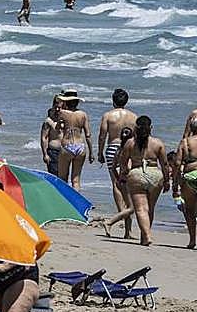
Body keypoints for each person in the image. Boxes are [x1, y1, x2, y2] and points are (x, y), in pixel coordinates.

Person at [115, 115, 170, 246]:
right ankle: (145, 236)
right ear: (151, 128)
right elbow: (165, 164)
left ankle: (146, 236)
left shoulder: (130, 143)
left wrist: (124, 174)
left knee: (140, 209)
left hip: (137, 173)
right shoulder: (158, 143)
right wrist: (167, 180)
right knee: (150, 208)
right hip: (155, 175)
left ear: (136, 128)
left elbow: (123, 161)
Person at [98, 89, 137, 229]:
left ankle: (121, 212)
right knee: (128, 183)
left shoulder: (108, 115)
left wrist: (100, 152)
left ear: (113, 101)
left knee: (116, 183)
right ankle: (127, 216)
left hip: (112, 147)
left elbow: (102, 135)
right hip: (129, 149)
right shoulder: (134, 116)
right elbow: (137, 137)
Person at [55, 89, 92, 189]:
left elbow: (57, 128)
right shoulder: (83, 114)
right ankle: (77, 203)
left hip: (67, 145)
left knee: (62, 178)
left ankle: (64, 201)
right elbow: (88, 134)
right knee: (76, 180)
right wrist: (91, 153)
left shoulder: (62, 113)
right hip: (80, 146)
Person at [173, 118, 197, 248]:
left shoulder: (185, 142)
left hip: (189, 177)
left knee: (189, 210)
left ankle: (193, 239)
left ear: (192, 128)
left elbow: (177, 163)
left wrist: (175, 183)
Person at [40, 97, 63, 175]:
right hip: (53, 152)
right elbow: (44, 138)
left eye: (59, 108)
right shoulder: (48, 121)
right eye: (55, 107)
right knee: (55, 175)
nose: (57, 109)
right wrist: (45, 154)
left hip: (65, 152)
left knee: (63, 176)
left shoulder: (66, 120)